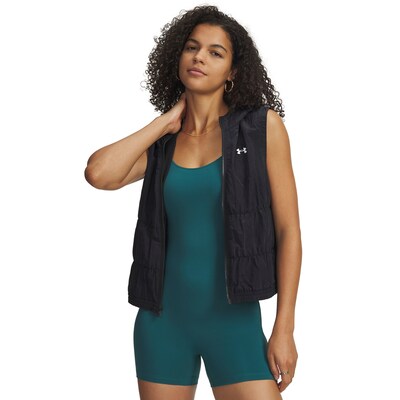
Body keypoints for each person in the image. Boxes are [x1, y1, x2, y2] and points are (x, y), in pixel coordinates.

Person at [84, 5, 302, 400]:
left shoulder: (260, 128)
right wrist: (163, 123)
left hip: (234, 322)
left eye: (215, 52)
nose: (199, 57)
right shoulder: (163, 144)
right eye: (192, 47)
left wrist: (283, 327)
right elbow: (99, 174)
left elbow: (289, 232)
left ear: (233, 72)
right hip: (162, 324)